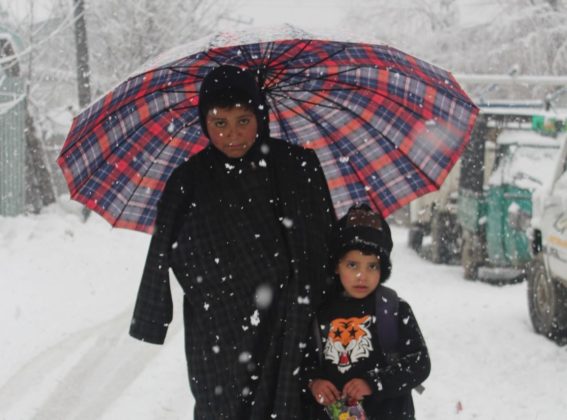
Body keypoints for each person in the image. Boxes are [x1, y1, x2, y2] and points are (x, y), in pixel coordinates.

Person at [128, 65, 336, 419]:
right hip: (219, 330)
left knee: (290, 405)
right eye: (219, 123)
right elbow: (162, 250)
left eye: (243, 120)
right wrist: (154, 314)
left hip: (290, 321)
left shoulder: (296, 167)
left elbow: (324, 244)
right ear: (203, 124)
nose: (233, 135)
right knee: (223, 408)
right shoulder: (188, 182)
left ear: (260, 115)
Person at [303, 204, 431, 419]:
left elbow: (419, 363)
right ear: (337, 266)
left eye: (372, 266)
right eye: (353, 265)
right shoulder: (319, 312)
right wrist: (313, 382)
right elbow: (302, 363)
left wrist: (373, 383)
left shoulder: (393, 309)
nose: (362, 275)